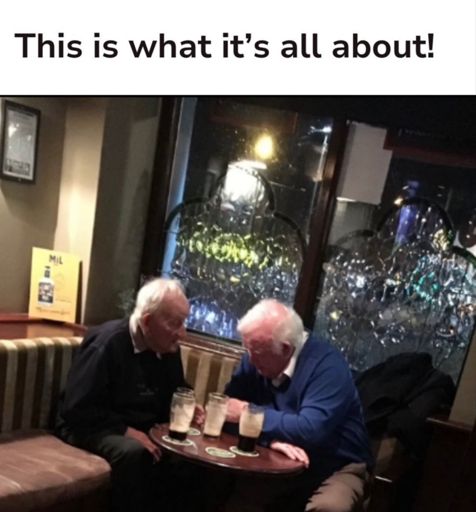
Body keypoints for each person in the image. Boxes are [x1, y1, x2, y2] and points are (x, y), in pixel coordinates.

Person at [55, 278, 203, 512]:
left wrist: (189, 406)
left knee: (191, 456)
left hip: (138, 424)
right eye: (175, 324)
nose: (182, 333)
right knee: (134, 454)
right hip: (88, 425)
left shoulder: (166, 346)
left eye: (184, 323)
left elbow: (176, 388)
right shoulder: (107, 343)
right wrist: (124, 430)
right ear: (147, 321)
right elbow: (77, 407)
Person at [223, 299, 373, 512]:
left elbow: (310, 430)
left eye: (258, 352)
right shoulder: (254, 359)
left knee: (330, 508)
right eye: (248, 349)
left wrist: (249, 415)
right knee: (230, 489)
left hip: (336, 464)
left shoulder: (327, 366)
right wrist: (269, 441)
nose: (250, 360)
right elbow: (226, 412)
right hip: (277, 458)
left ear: (286, 349)